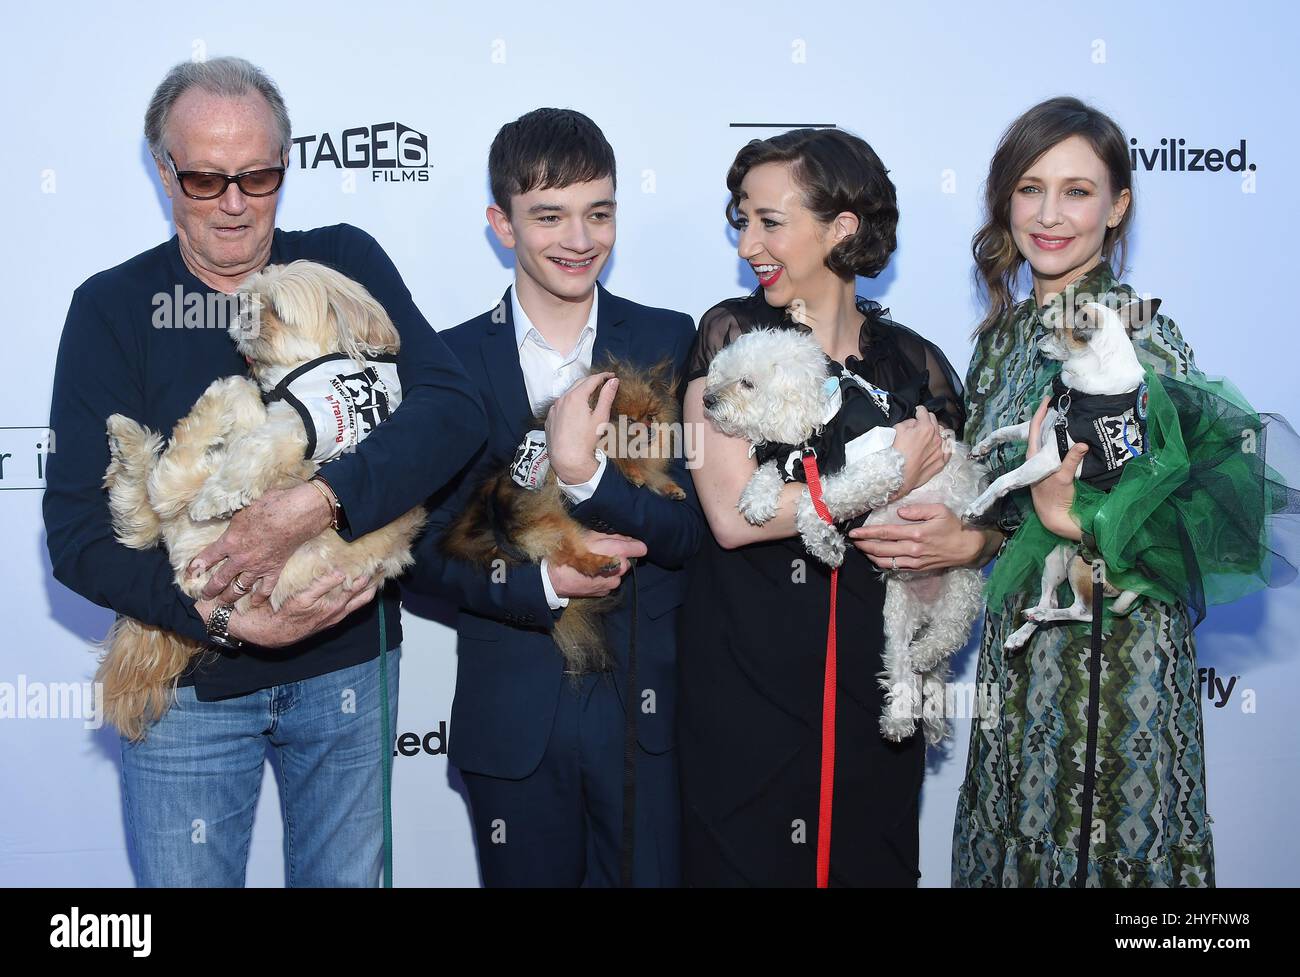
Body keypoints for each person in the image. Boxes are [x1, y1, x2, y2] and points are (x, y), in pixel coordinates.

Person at [42, 56, 487, 887]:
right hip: (185, 684)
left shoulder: (340, 265)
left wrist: (318, 502)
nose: (237, 202)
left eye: (259, 174)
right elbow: (75, 535)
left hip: (349, 670)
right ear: (162, 169)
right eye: (207, 179)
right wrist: (220, 618)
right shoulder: (110, 307)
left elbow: (453, 409)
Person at [856, 96, 1215, 887]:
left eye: (1078, 191)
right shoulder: (1003, 338)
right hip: (1021, 648)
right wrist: (969, 539)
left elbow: (1185, 519)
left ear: (1118, 206)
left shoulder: (1136, 333)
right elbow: (1010, 510)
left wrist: (1080, 517)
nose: (1050, 214)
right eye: (1030, 188)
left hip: (1111, 661)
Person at [402, 108, 703, 887]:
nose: (579, 238)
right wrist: (540, 583)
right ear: (502, 225)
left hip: (647, 721)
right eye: (549, 216)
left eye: (598, 213)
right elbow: (422, 554)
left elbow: (691, 531)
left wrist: (589, 483)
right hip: (513, 727)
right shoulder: (449, 362)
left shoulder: (670, 340)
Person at [676, 127, 969, 886]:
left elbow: (954, 510)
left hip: (873, 699)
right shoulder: (727, 339)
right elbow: (735, 516)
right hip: (746, 692)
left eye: (769, 221)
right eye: (741, 220)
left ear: (843, 228)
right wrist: (885, 476)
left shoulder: (917, 364)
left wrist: (963, 540)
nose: (748, 243)